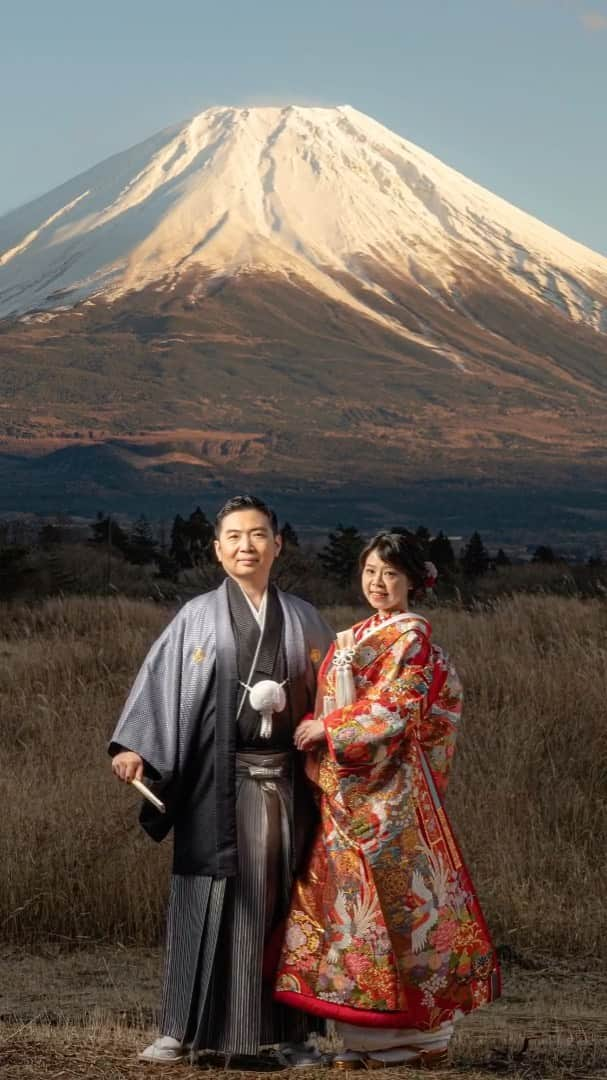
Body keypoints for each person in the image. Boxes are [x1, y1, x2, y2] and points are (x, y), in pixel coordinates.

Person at [109, 495, 334, 1066]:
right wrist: (137, 745)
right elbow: (161, 684)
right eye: (233, 536)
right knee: (204, 898)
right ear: (216, 549)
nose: (246, 546)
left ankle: (291, 1035)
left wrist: (332, 732)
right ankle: (181, 1030)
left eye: (258, 535)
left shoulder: (306, 618)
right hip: (218, 781)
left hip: (287, 784)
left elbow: (337, 698)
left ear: (278, 544)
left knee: (286, 905)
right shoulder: (196, 616)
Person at [274, 531, 501, 1070]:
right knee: (353, 912)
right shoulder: (354, 635)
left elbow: (395, 710)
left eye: (391, 574)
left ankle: (421, 1039)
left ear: (413, 582)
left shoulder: (412, 639)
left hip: (393, 796)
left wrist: (327, 728)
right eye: (371, 570)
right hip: (349, 793)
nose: (378, 583)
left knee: (404, 908)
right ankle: (365, 1041)